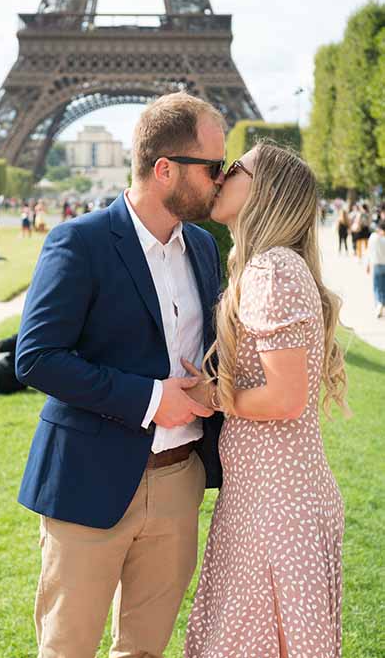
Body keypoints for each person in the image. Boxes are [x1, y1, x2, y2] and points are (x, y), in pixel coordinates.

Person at [15, 92, 226, 657]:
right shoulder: (79, 242)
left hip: (180, 480)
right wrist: (153, 399)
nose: (221, 180)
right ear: (164, 170)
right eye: (212, 167)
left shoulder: (203, 247)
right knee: (68, 648)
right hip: (90, 480)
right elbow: (35, 356)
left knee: (144, 652)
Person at [184, 143, 349, 657]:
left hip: (275, 507)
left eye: (236, 168)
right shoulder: (270, 265)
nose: (222, 173)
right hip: (277, 497)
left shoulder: (271, 270)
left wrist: (211, 395)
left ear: (265, 191)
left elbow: (283, 398)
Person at [368, 224, 385, 318]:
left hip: (377, 265)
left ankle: (379, 305)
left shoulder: (373, 237)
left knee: (377, 287)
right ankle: (381, 304)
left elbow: (369, 251)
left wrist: (367, 264)